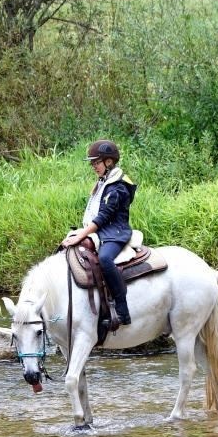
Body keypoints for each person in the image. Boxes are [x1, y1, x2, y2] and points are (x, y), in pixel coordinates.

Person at [61, 140, 137, 326]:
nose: (93, 166)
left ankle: (122, 310)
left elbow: (103, 217)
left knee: (105, 259)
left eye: (96, 162)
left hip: (115, 233)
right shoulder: (103, 182)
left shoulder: (117, 186)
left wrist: (81, 235)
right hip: (102, 231)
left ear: (109, 162)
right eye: (92, 163)